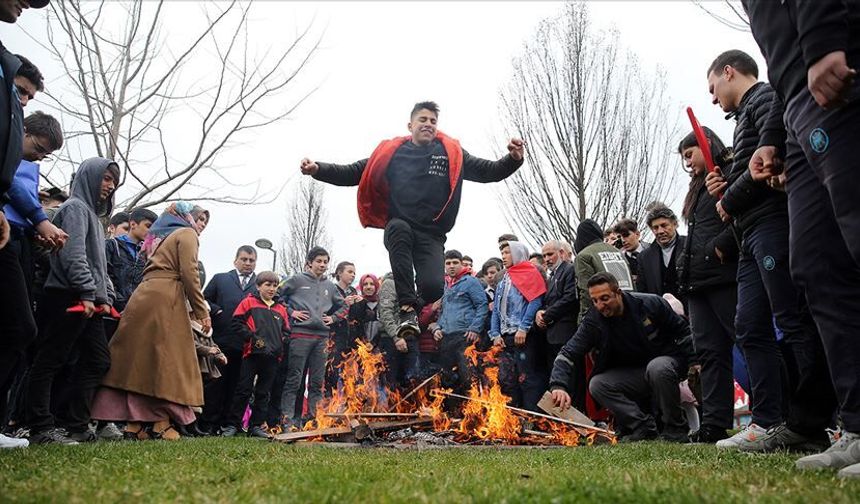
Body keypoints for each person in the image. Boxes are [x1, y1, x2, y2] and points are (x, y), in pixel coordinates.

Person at [742, 1, 860, 477]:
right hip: (795, 106)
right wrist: (773, 133)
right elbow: (778, 57)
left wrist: (823, 40)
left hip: (833, 67)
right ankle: (856, 425)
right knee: (815, 265)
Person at [301, 101, 525, 340]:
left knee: (433, 287)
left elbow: (488, 171)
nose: (428, 124)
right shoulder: (393, 153)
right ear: (410, 125)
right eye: (423, 120)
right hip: (400, 227)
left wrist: (513, 159)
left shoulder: (450, 153)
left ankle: (414, 308)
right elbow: (353, 171)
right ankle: (407, 308)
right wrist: (318, 169)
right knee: (398, 229)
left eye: (433, 121)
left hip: (432, 234)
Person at [706, 48, 836, 453]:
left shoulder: (764, 99)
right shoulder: (745, 117)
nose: (713, 98)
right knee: (749, 326)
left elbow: (767, 162)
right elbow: (749, 169)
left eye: (713, 86)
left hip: (771, 226)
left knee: (792, 320)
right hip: (749, 235)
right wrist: (726, 186)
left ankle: (818, 420)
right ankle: (767, 420)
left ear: (729, 72)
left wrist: (730, 199)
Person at [90, 202, 210, 441]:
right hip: (167, 298)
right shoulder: (186, 234)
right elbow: (190, 273)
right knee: (168, 363)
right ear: (187, 217)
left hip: (143, 296)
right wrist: (201, 310)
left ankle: (134, 425)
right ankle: (161, 424)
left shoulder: (156, 237)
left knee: (140, 361)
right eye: (199, 219)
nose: (201, 225)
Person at [25, 158, 120, 445]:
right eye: (106, 178)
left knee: (97, 360)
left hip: (91, 300)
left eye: (114, 181)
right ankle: (39, 426)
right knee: (50, 360)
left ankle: (75, 423)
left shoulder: (92, 216)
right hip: (68, 295)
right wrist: (88, 292)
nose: (110, 185)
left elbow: (99, 265)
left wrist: (105, 296)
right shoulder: (74, 208)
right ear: (89, 176)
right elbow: (73, 256)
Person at [550, 272, 694, 442]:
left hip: (665, 363)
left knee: (657, 368)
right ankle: (642, 426)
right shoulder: (593, 321)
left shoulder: (650, 304)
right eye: (595, 301)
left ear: (618, 293)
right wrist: (558, 385)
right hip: (634, 374)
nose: (600, 305)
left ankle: (675, 428)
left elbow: (684, 333)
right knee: (597, 384)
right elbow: (568, 352)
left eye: (605, 298)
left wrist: (695, 363)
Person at [0, 111, 66, 415]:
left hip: (20, 241)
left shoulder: (29, 166)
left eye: (45, 154)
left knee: (20, 332)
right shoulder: (9, 154)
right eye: (38, 148)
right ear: (23, 131)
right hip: (6, 241)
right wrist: (40, 220)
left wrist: (33, 229)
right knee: (20, 327)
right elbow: (11, 185)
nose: (39, 156)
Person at [677, 127, 740, 443]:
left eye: (690, 154)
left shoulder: (727, 173)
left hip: (724, 275)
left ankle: (776, 413)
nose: (688, 162)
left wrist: (721, 246)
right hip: (697, 282)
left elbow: (740, 215)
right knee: (709, 352)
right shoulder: (698, 187)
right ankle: (715, 422)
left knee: (748, 341)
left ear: (707, 145)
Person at [278, 246, 345, 428]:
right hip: (300, 335)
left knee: (317, 381)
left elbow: (344, 306)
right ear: (309, 262)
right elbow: (276, 295)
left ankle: (313, 421)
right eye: (319, 261)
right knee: (294, 379)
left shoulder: (330, 286)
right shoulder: (296, 280)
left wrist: (333, 318)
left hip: (322, 338)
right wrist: (291, 312)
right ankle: (287, 420)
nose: (322, 265)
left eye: (325, 262)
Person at [221, 271, 289, 439]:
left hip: (272, 357)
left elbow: (287, 331)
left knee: (263, 393)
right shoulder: (248, 302)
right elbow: (237, 323)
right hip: (251, 354)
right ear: (258, 286)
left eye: (275, 285)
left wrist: (277, 345)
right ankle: (232, 424)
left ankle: (256, 426)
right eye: (268, 285)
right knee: (243, 389)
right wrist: (252, 338)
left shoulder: (281, 309)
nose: (272, 288)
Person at [198, 246, 258, 434]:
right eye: (244, 259)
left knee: (238, 385)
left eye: (251, 260)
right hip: (221, 341)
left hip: (245, 344)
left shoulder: (259, 284)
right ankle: (209, 423)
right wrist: (217, 310)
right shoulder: (220, 279)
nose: (248, 263)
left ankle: (230, 424)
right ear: (235, 260)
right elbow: (203, 300)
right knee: (216, 383)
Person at [490, 241, 546, 411]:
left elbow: (535, 300)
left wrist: (523, 327)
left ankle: (531, 416)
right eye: (502, 253)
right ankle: (513, 417)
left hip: (523, 336)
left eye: (507, 252)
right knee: (508, 378)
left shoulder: (530, 272)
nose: (504, 256)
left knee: (527, 378)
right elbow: (496, 310)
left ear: (517, 253)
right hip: (505, 337)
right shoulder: (503, 279)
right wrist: (495, 333)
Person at [431, 250, 488, 392]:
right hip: (446, 338)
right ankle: (454, 406)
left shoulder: (471, 282)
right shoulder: (447, 285)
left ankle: (475, 404)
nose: (451, 266)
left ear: (462, 264)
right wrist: (438, 328)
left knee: (469, 376)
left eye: (455, 262)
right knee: (447, 379)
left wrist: (475, 328)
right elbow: (444, 312)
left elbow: (482, 305)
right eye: (448, 263)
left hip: (465, 337)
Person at [535, 240, 580, 408]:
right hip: (552, 336)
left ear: (561, 253)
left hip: (565, 334)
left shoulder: (569, 270)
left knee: (569, 379)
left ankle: (573, 414)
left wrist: (546, 315)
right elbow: (548, 302)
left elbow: (570, 298)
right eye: (544, 256)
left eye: (550, 254)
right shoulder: (552, 277)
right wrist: (539, 313)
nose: (547, 259)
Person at [573, 218, 633, 322]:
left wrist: (584, 319)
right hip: (629, 309)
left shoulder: (583, 256)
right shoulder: (618, 252)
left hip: (606, 315)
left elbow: (586, 291)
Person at [105, 207, 157, 313]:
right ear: (133, 224)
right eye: (148, 226)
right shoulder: (111, 245)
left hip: (136, 311)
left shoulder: (147, 254)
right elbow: (105, 275)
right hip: (111, 309)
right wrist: (119, 302)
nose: (151, 231)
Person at [636, 204, 686, 303]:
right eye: (655, 227)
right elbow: (642, 290)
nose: (660, 231)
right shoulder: (644, 257)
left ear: (675, 224)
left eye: (664, 225)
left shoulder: (689, 246)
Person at [326, 261, 359, 395]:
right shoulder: (331, 289)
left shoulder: (353, 291)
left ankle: (348, 404)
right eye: (349, 272)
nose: (353, 275)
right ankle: (328, 401)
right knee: (332, 373)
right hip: (334, 337)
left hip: (351, 339)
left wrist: (359, 304)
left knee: (350, 377)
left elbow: (356, 317)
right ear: (339, 273)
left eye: (354, 273)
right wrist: (344, 304)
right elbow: (327, 312)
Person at [613, 219, 649, 286]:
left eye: (626, 235)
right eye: (620, 237)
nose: (623, 240)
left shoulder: (653, 252)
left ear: (637, 234)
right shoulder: (619, 259)